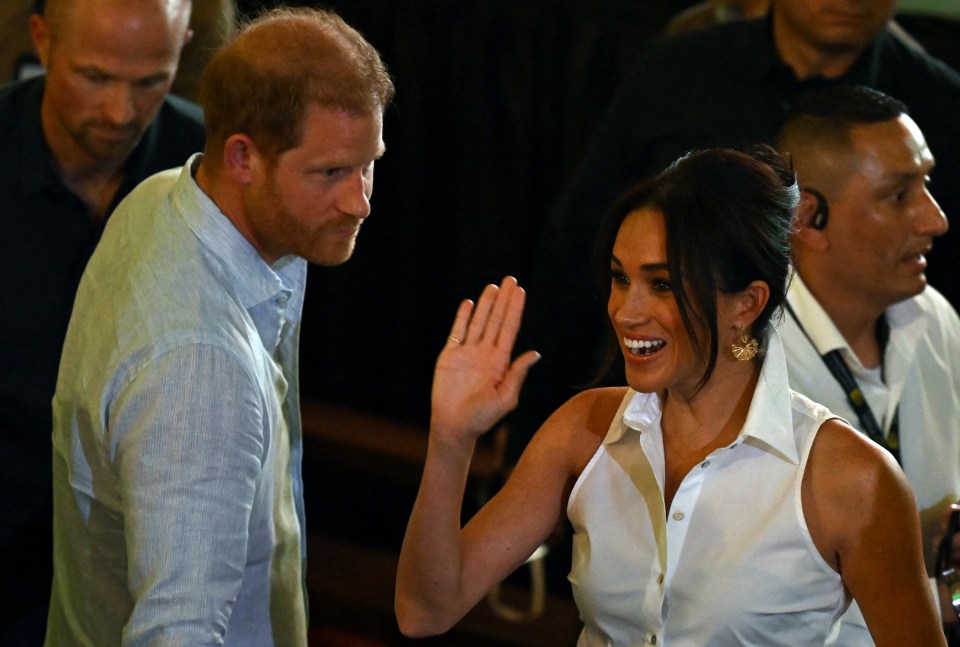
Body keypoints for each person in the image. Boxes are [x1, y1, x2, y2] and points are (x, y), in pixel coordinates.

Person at [395, 147, 944, 645]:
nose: (627, 311)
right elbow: (425, 611)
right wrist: (451, 438)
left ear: (747, 304)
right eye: (619, 277)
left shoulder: (851, 479)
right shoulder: (583, 429)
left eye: (661, 284)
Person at [45, 6, 393, 645]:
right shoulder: (201, 367)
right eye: (331, 173)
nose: (360, 201)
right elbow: (177, 631)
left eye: (368, 162)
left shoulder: (162, 196)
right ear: (243, 158)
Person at [510, 0, 960, 465]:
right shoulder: (677, 73)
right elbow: (578, 249)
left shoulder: (941, 104)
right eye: (898, 195)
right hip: (647, 422)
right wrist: (532, 429)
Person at [0, 0, 203, 643]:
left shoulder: (214, 169)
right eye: (95, 77)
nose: (121, 114)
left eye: (151, 81)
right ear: (42, 39)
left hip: (147, 550)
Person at [774, 84, 960, 646]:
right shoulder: (747, 360)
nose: (936, 219)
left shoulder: (933, 316)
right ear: (808, 218)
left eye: (926, 183)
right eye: (899, 196)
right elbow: (759, 606)